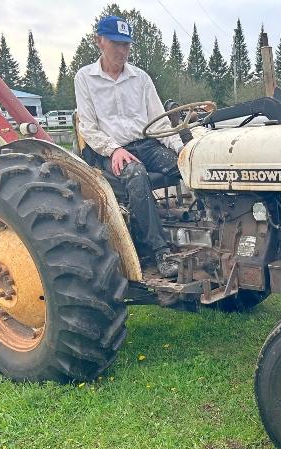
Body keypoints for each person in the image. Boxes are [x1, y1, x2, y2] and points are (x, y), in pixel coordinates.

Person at [74, 15, 181, 278]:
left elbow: (159, 122)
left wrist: (182, 149)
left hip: (145, 144)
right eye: (116, 44)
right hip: (109, 151)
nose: (122, 51)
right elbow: (87, 126)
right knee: (135, 174)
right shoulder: (85, 78)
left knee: (185, 166)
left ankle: (206, 232)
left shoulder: (140, 78)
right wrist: (114, 149)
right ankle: (158, 251)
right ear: (99, 41)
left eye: (126, 45)